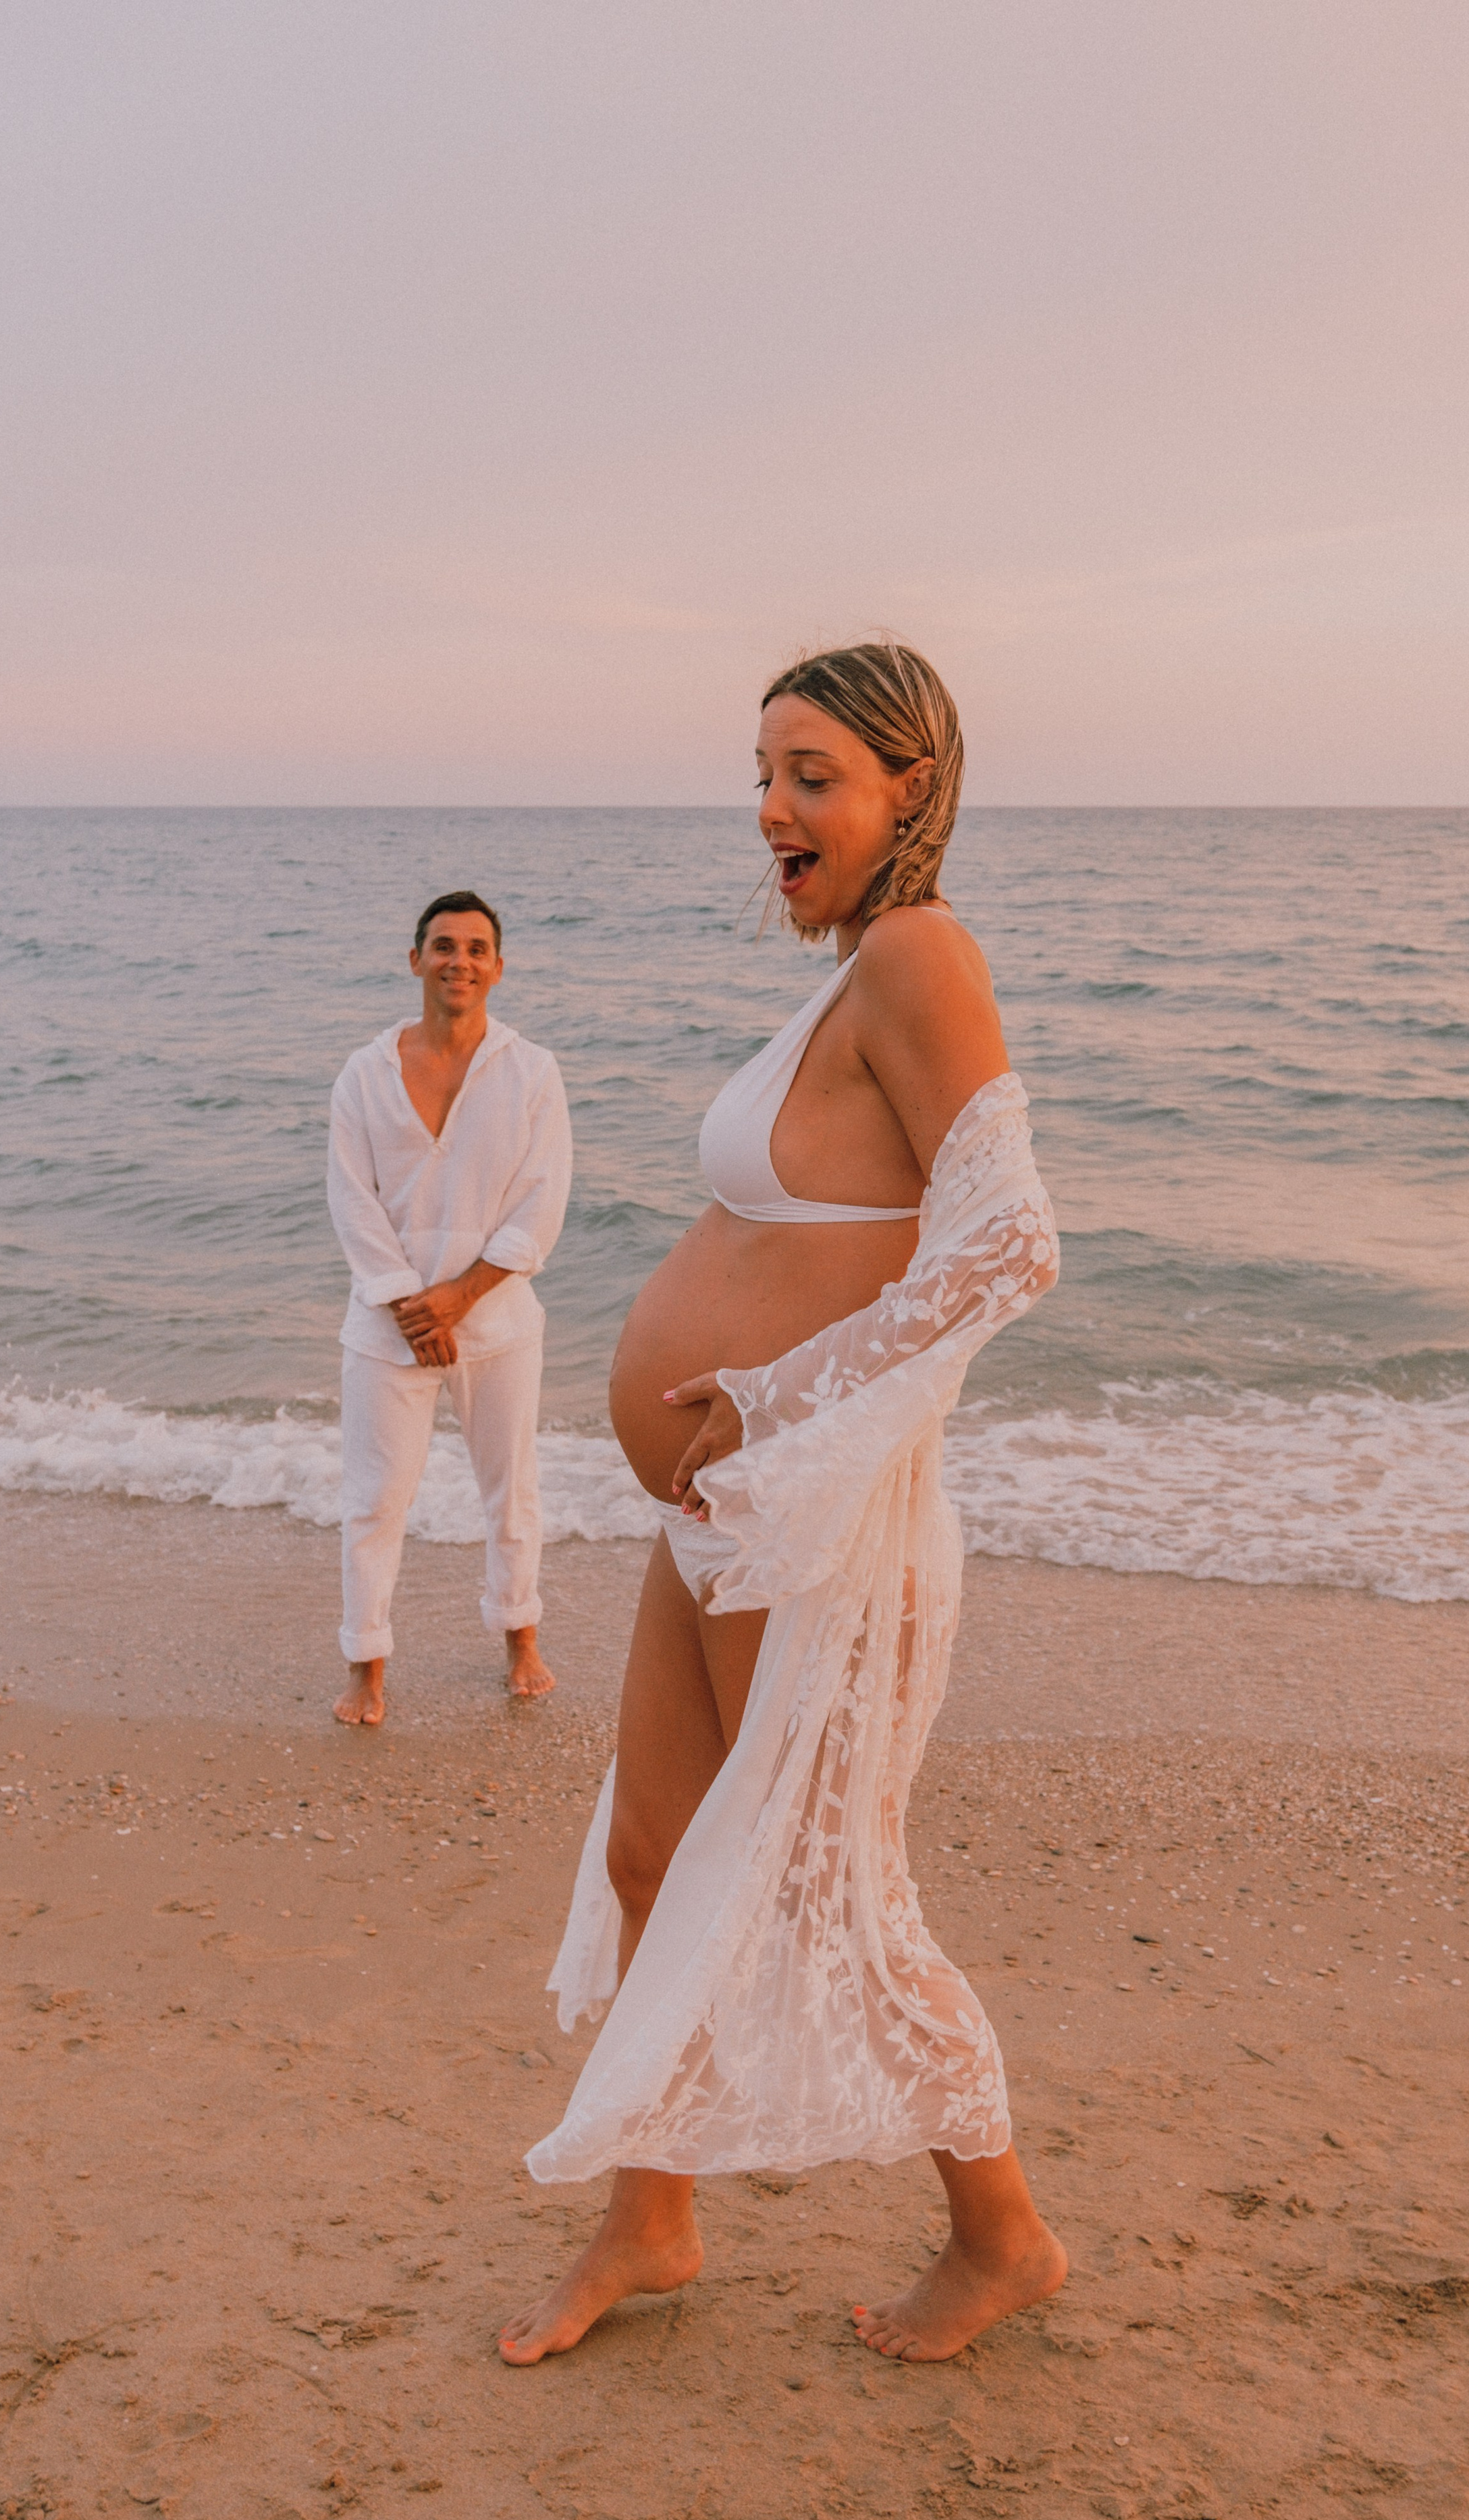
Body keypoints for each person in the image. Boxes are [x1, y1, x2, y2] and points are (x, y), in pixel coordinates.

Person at [500, 642, 1065, 2368]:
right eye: (760, 773)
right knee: (652, 1844)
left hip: (808, 1511)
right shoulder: (837, 984)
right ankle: (651, 2215)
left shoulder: (915, 952)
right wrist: (733, 1420)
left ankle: (1001, 2232)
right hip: (727, 1506)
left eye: (812, 774)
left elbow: (1005, 1242)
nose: (771, 809)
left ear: (908, 785)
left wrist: (772, 1398)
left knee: (821, 1886)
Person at [327, 890, 571, 1721]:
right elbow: (351, 1200)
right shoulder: (364, 1073)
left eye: (475, 948)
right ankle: (366, 1662)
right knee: (374, 1497)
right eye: (442, 946)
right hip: (385, 1327)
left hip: (496, 1325)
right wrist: (406, 1304)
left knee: (511, 1490)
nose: (457, 961)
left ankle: (519, 1636)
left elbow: (540, 1202)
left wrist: (458, 1300)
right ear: (415, 961)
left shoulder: (531, 1071)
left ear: (497, 968)